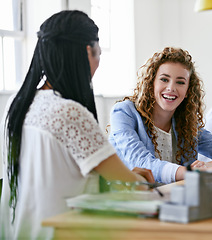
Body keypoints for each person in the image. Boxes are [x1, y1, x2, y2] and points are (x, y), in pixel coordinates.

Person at [0, 10, 154, 240]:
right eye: (98, 53)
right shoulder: (70, 112)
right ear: (87, 51)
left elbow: (59, 178)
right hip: (64, 233)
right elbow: (131, 185)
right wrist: (139, 180)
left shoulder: (18, 103)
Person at [108, 47, 212, 184]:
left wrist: (211, 165)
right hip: (129, 198)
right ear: (151, 83)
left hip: (173, 197)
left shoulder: (186, 122)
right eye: (164, 79)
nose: (171, 88)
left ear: (188, 90)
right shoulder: (124, 112)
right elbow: (141, 163)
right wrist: (197, 172)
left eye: (180, 82)